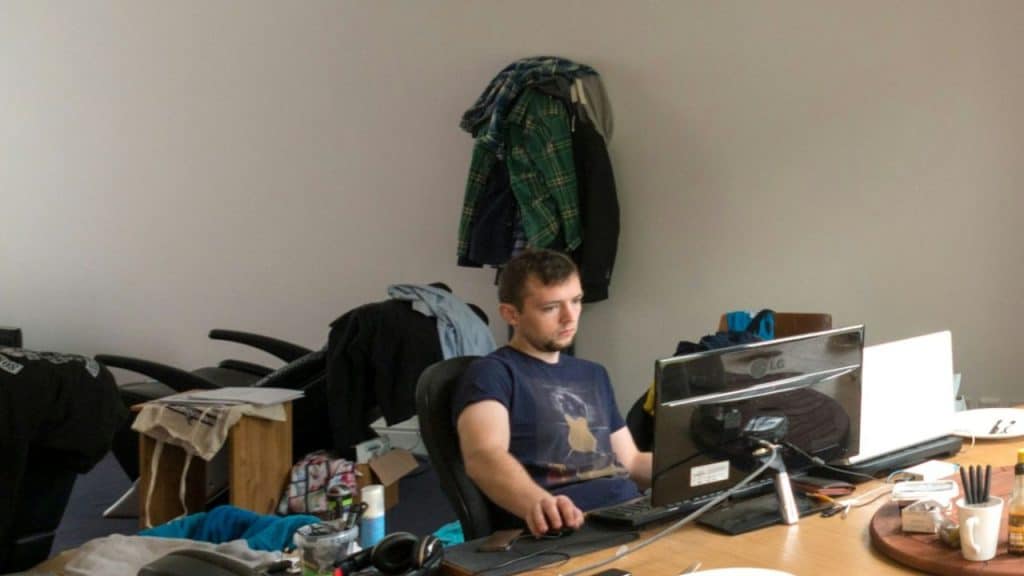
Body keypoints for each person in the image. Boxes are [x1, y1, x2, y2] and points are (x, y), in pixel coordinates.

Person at [452, 249, 651, 536]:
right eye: (551, 308)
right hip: (562, 528)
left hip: (629, 516)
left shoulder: (593, 374)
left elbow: (631, 461)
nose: (569, 317)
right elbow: (483, 455)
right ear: (511, 314)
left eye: (576, 301)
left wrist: (708, 469)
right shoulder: (492, 374)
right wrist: (540, 503)